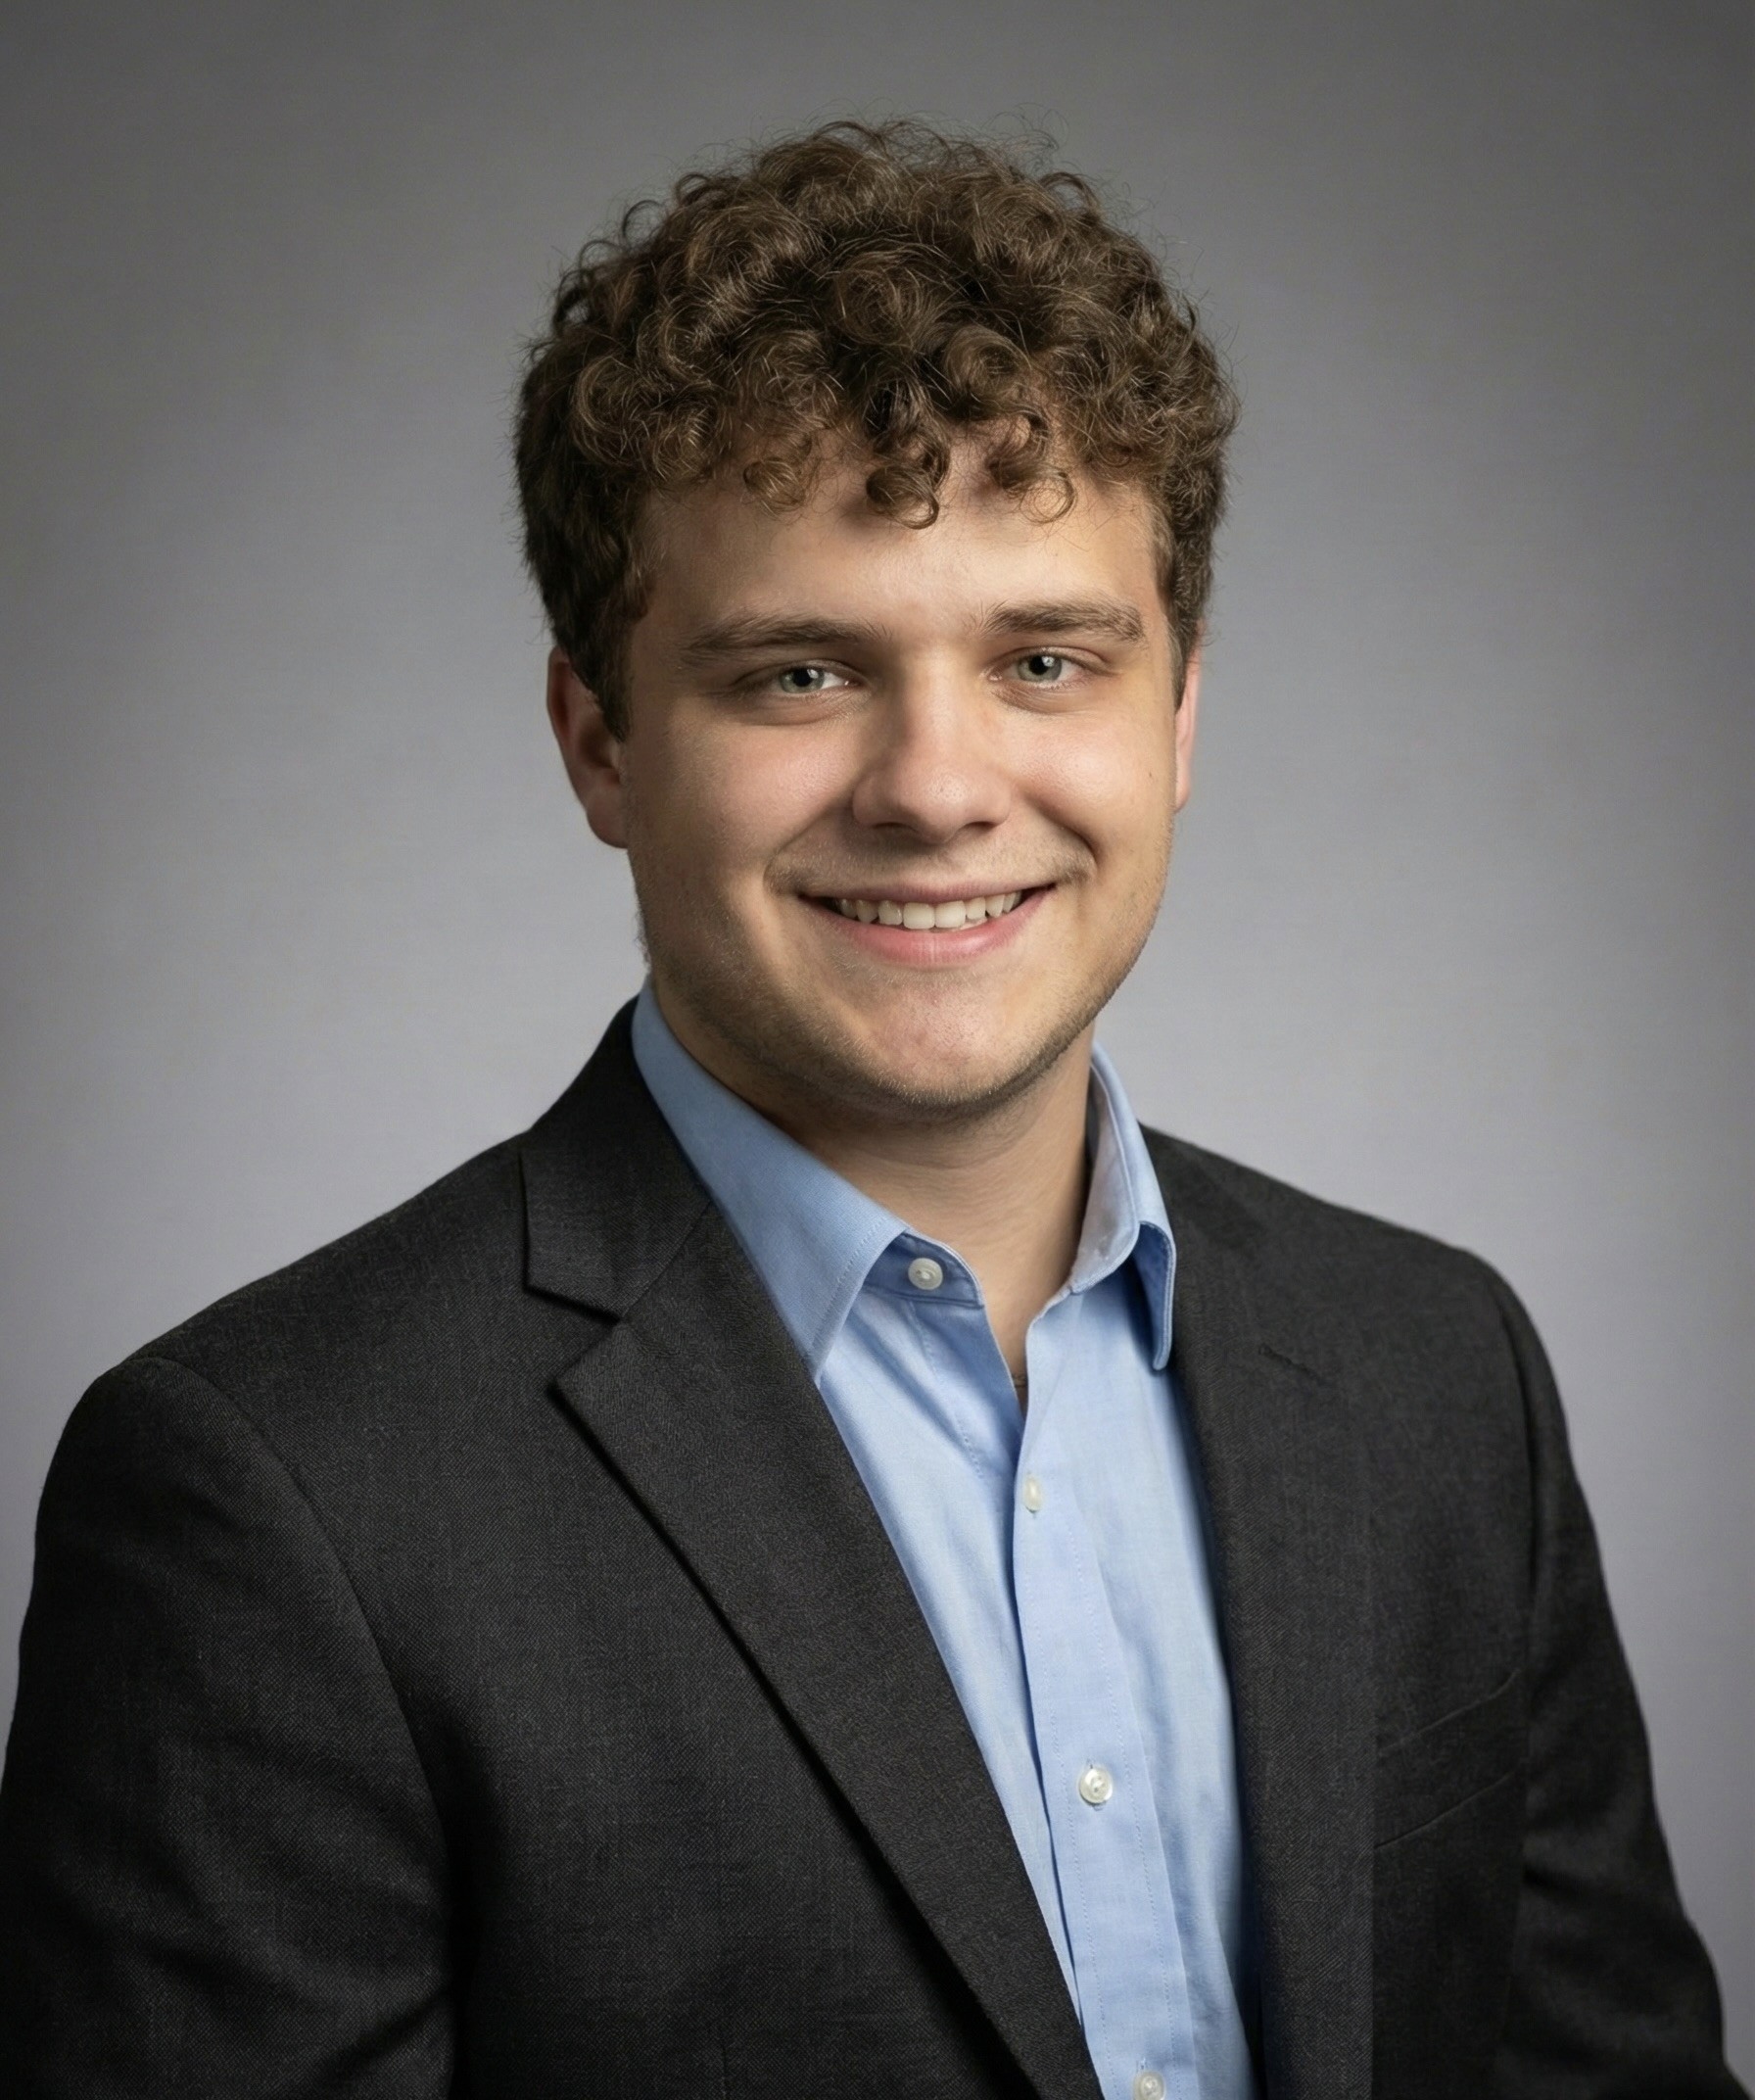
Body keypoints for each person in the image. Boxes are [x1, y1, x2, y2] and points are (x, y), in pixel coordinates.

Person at [0, 120, 1739, 2100]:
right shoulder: (273, 1500)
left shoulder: (1436, 1377)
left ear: (1174, 718)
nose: (934, 784)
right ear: (600, 741)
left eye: (1043, 659)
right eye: (802, 670)